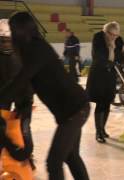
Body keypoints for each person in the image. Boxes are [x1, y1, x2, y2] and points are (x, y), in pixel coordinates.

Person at [0, 12, 90, 180]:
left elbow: (21, 80)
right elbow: (25, 84)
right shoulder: (30, 49)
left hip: (75, 109)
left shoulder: (36, 48)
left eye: (13, 29)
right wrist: (21, 103)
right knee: (71, 156)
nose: (10, 35)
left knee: (53, 162)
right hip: (71, 110)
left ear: (21, 30)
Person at [0, 18, 35, 169]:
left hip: (21, 95)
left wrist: (27, 102)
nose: (6, 43)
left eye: (8, 39)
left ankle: (26, 156)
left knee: (23, 127)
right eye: (3, 39)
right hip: (7, 96)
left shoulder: (22, 52)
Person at [86, 21, 121, 143]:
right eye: (111, 34)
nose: (114, 37)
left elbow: (119, 56)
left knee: (107, 102)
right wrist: (108, 61)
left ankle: (103, 129)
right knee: (100, 103)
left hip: (110, 74)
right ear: (106, 32)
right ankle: (98, 132)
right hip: (98, 74)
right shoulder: (98, 38)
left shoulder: (118, 40)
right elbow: (98, 55)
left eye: (116, 35)